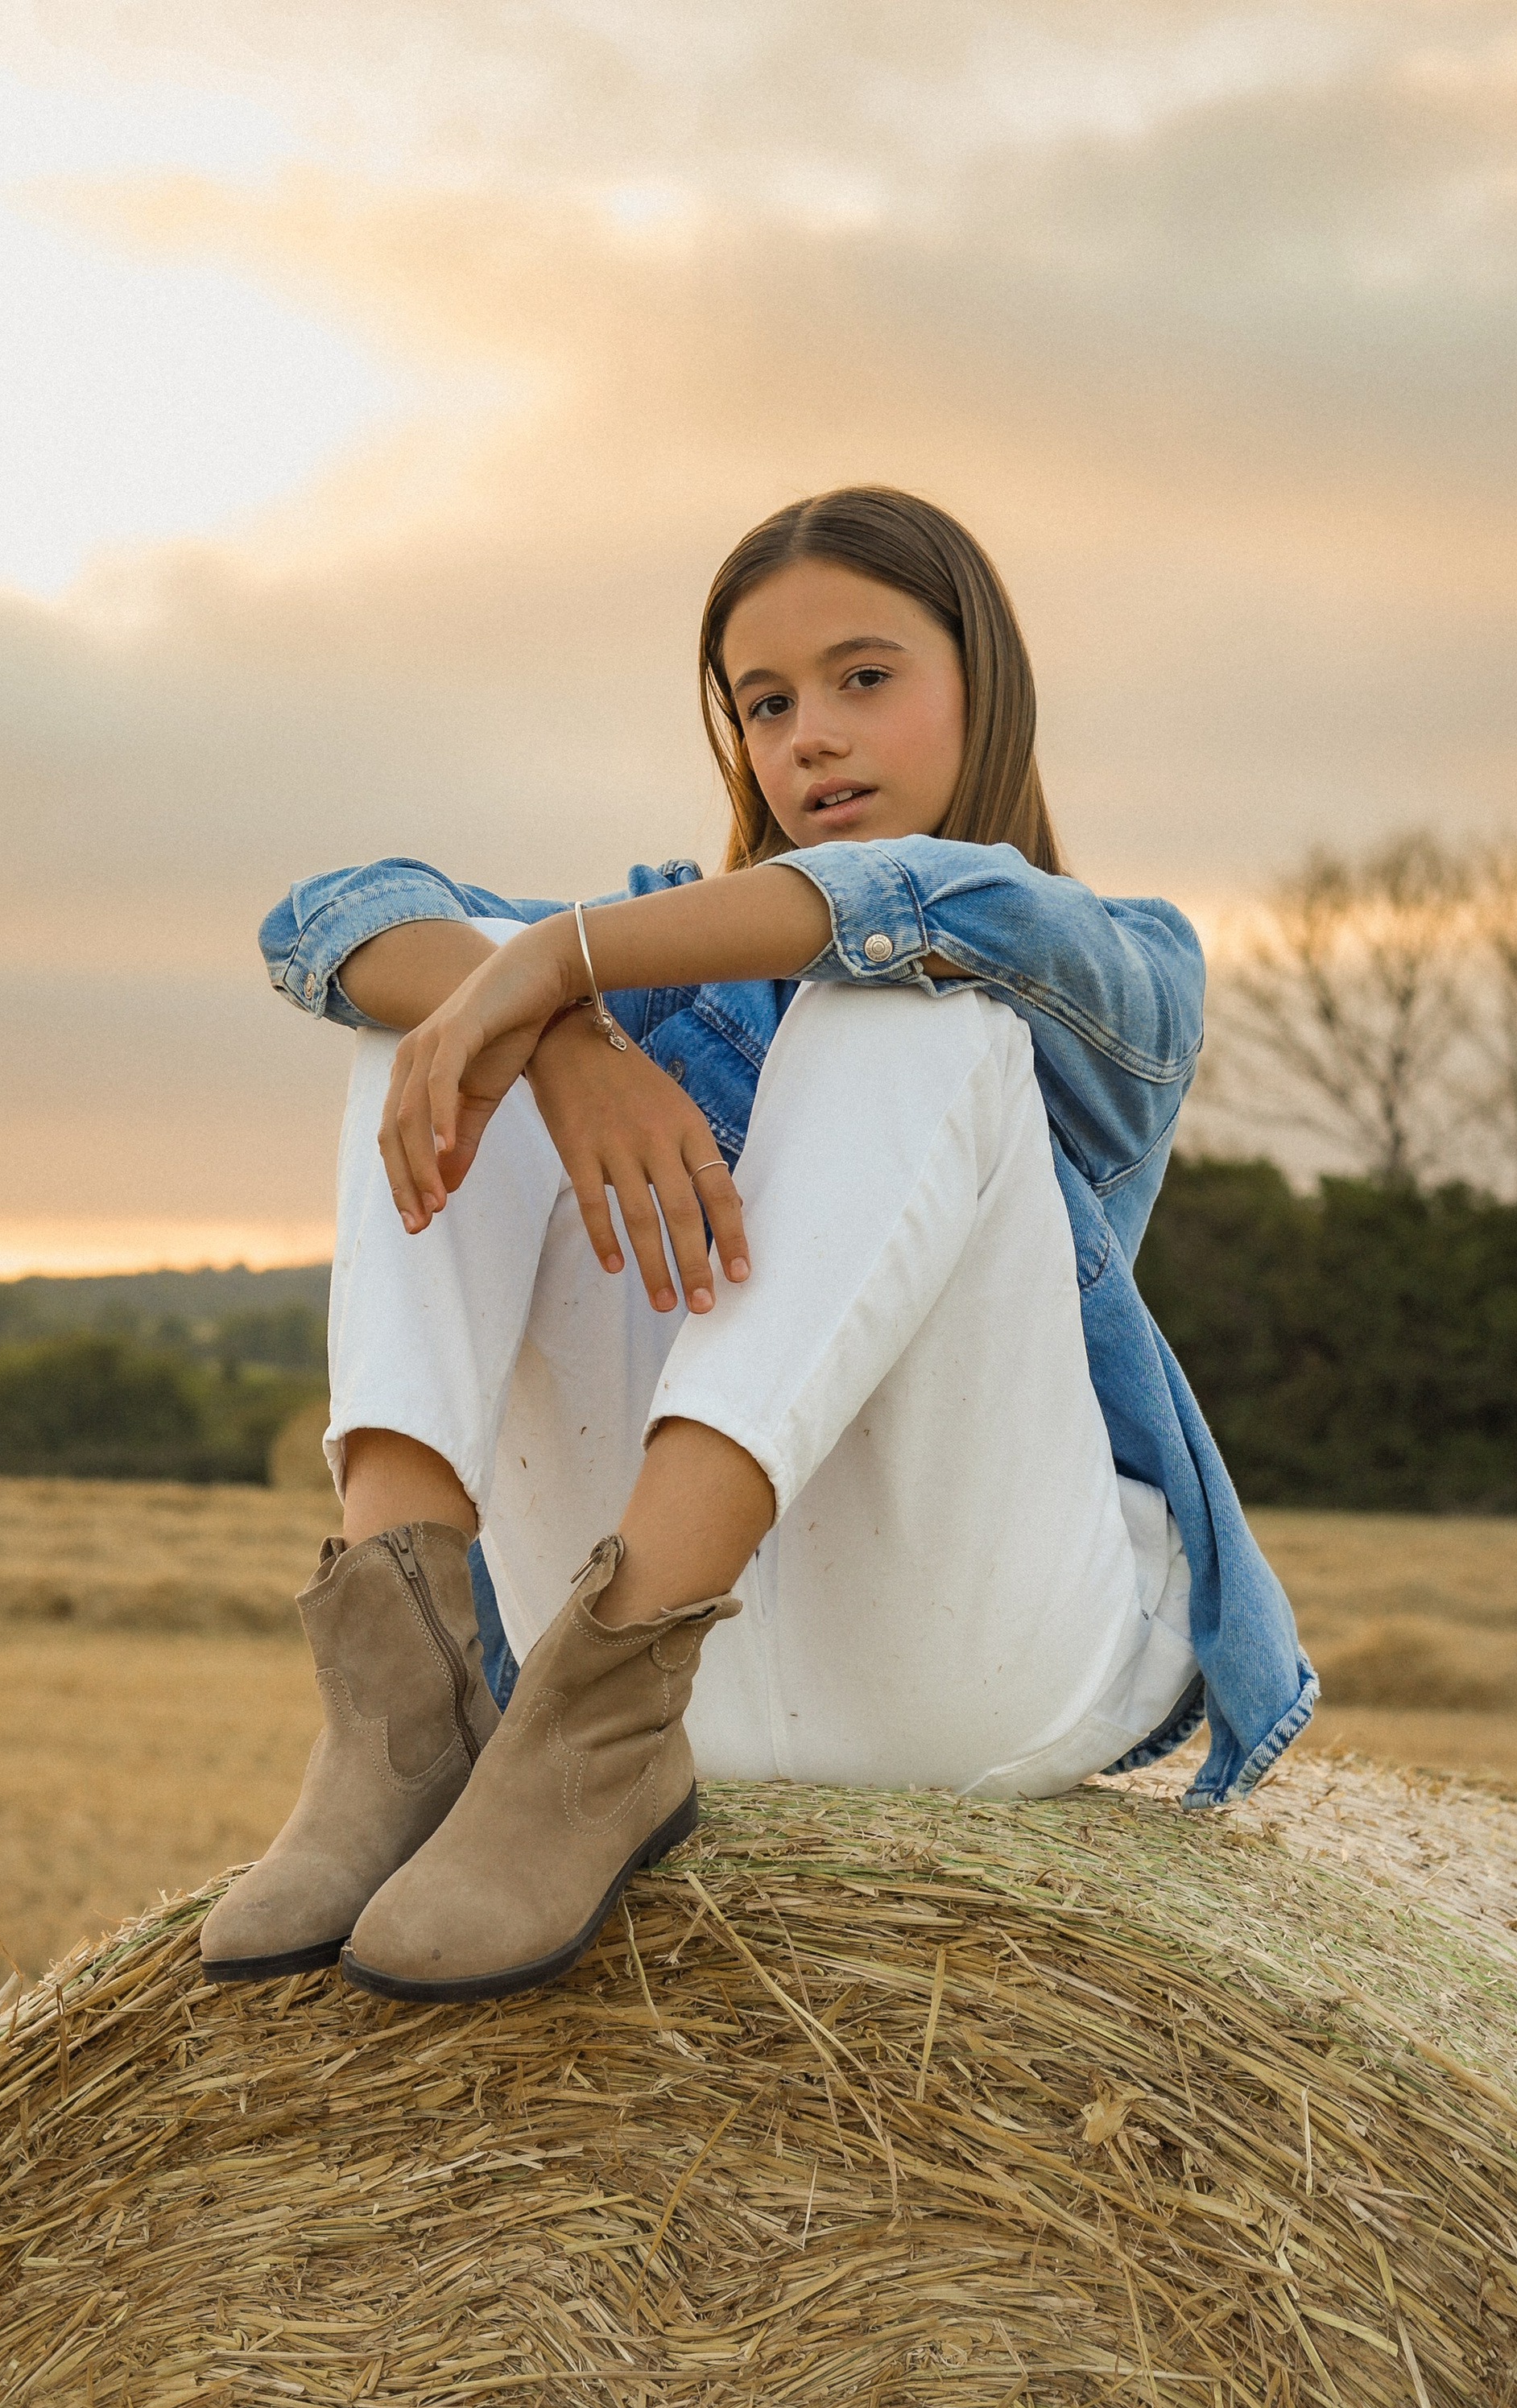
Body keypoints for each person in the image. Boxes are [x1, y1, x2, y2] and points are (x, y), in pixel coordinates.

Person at [200, 485, 1315, 2006]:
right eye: (766, 704)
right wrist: (560, 1035)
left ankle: (605, 1692)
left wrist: (560, 967)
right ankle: (406, 1716)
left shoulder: (1117, 961)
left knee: (908, 1003)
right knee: (431, 1033)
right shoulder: (655, 963)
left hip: (970, 1664)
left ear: (987, 686)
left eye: (867, 679)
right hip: (679, 1706)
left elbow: (924, 907)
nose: (811, 737)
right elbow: (327, 921)